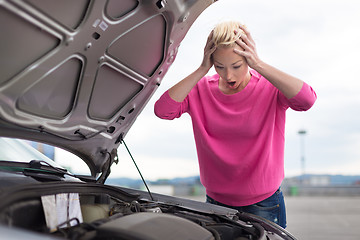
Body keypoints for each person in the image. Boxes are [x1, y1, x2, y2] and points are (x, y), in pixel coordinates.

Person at [154, 21, 317, 228]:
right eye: (219, 66)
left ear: (248, 58)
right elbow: (162, 111)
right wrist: (202, 69)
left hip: (264, 204)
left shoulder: (270, 88)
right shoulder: (200, 90)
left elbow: (307, 100)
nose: (228, 75)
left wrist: (259, 64)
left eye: (237, 66)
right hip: (216, 204)